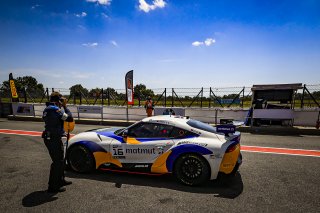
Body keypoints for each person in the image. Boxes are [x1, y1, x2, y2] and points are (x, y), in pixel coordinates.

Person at [42, 92, 73, 193]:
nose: (63, 101)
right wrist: (65, 107)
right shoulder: (54, 109)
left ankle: (60, 180)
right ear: (58, 100)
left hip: (53, 137)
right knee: (57, 162)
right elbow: (69, 118)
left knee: (61, 160)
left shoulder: (48, 108)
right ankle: (53, 186)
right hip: (53, 138)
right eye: (61, 100)